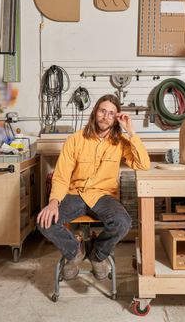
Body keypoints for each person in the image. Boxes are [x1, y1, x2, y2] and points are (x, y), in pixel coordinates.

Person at [37, 94, 150, 281]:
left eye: (111, 113)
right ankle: (75, 252)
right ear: (95, 112)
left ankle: (98, 254)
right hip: (75, 194)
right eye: (102, 111)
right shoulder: (75, 140)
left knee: (123, 223)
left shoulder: (121, 143)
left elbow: (143, 165)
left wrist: (131, 132)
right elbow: (61, 176)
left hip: (104, 197)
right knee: (45, 222)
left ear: (116, 119)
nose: (106, 116)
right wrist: (53, 202)